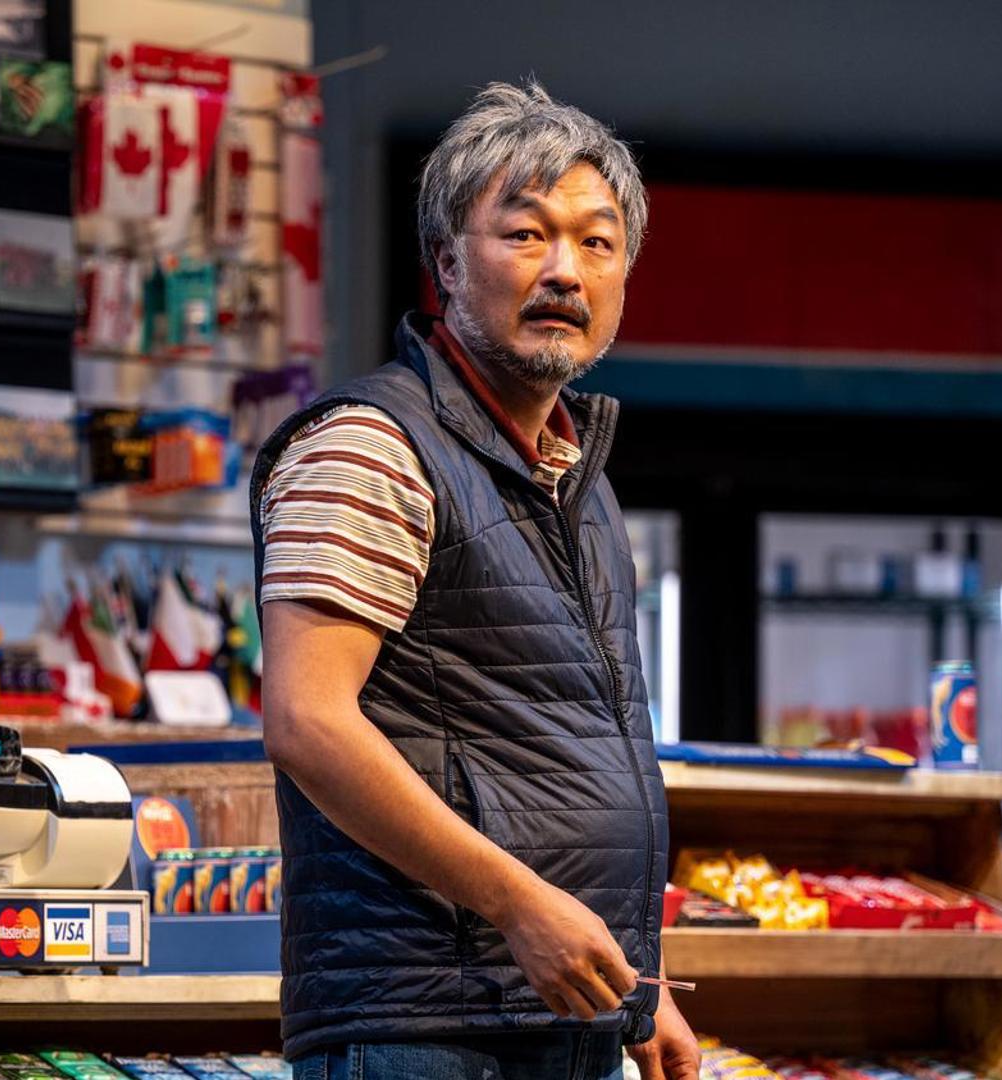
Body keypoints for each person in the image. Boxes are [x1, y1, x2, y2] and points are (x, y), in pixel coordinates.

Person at [253, 80, 698, 1080]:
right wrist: (516, 905)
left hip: (557, 1009)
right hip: (423, 1025)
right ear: (447, 261)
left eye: (597, 241)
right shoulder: (372, 446)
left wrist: (642, 981)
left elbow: (553, 750)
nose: (565, 272)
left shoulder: (575, 481)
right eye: (526, 234)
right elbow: (307, 721)